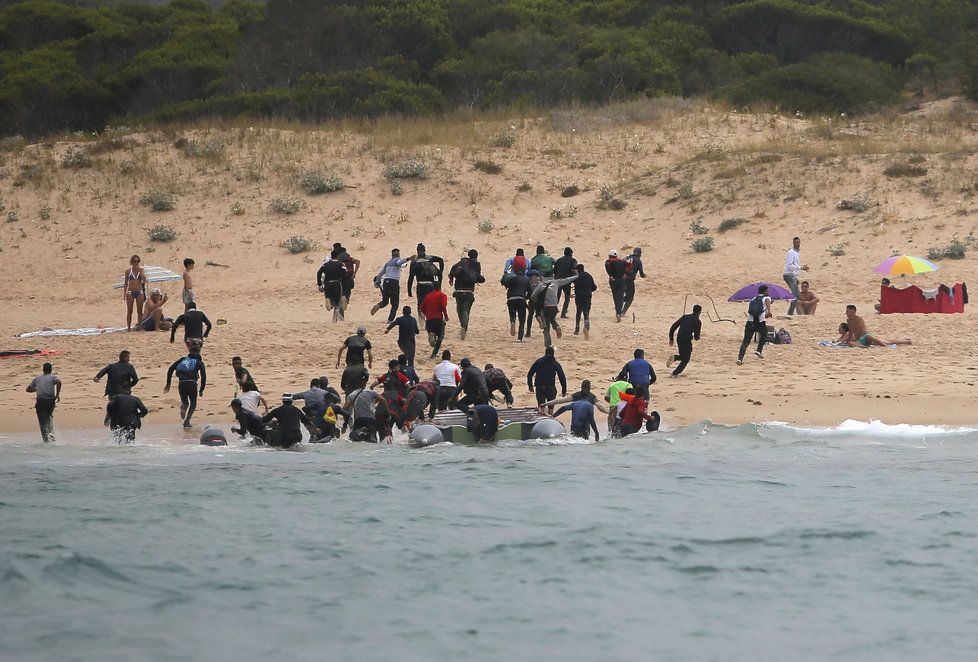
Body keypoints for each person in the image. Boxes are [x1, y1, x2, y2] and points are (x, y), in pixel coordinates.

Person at [530, 272, 579, 347]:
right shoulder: (556, 282)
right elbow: (566, 280)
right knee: (552, 319)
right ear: (553, 276)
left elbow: (533, 296)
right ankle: (557, 327)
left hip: (545, 306)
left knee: (546, 325)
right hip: (554, 306)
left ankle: (548, 343)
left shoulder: (541, 285)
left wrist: (536, 302)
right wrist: (576, 276)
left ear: (543, 277)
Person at [164, 347, 206, 428]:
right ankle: (187, 421)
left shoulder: (183, 360)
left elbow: (171, 369)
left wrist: (168, 383)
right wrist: (201, 389)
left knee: (185, 402)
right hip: (192, 383)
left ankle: (183, 407)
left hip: (181, 383)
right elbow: (204, 376)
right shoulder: (199, 362)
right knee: (193, 403)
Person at [448, 249, 486, 340]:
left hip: (458, 291)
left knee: (459, 309)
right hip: (469, 291)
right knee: (466, 310)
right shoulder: (476, 264)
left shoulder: (458, 264)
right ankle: (464, 327)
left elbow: (451, 275)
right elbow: (478, 277)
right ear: (476, 256)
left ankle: (462, 324)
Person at [842, 305, 912, 347]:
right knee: (887, 341)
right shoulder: (848, 320)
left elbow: (862, 331)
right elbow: (851, 332)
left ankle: (905, 342)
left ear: (853, 311)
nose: (846, 313)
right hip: (860, 339)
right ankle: (906, 342)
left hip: (865, 337)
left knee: (886, 342)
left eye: (848, 311)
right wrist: (848, 339)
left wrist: (858, 339)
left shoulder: (859, 319)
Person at [371, 248, 411, 321]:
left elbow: (380, 274)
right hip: (394, 282)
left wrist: (377, 281)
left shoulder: (387, 263)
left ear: (392, 255)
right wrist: (409, 258)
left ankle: (378, 306)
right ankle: (390, 320)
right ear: (398, 254)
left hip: (386, 282)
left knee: (385, 301)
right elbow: (399, 263)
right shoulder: (397, 261)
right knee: (395, 304)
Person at [343, 378, 388, 443]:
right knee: (372, 439)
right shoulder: (371, 392)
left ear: (356, 385)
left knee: (356, 440)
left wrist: (345, 423)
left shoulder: (352, 395)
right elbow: (383, 400)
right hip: (370, 420)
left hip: (359, 420)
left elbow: (344, 408)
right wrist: (386, 412)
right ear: (365, 385)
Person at [26, 362, 61, 443]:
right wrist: (57, 394)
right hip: (50, 402)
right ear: (51, 370)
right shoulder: (53, 377)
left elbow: (28, 389)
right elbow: (59, 382)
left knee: (42, 423)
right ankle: (52, 439)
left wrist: (36, 389)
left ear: (43, 370)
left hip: (41, 402)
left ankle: (46, 442)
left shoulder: (37, 378)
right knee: (48, 419)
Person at [737, 285, 772, 365]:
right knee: (764, 334)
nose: (768, 292)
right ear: (765, 291)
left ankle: (740, 359)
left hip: (750, 321)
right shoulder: (767, 297)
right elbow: (767, 301)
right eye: (767, 290)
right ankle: (759, 350)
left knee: (746, 341)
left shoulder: (753, 299)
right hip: (760, 322)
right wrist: (769, 311)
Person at [527, 346, 567, 414]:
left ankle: (541, 418)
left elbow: (530, 374)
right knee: (550, 408)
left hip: (540, 387)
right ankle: (550, 419)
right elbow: (562, 376)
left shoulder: (539, 361)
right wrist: (564, 389)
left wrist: (530, 386)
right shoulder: (555, 363)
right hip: (550, 387)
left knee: (541, 407)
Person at [539, 380, 609, 415]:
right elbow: (602, 408)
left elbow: (560, 401)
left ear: (581, 387)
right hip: (586, 423)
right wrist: (609, 412)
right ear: (590, 388)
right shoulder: (592, 397)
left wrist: (545, 404)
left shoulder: (576, 395)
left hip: (575, 422)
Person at [667, 305, 703, 377]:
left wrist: (671, 338)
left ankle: (675, 358)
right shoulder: (698, 322)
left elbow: (673, 326)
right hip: (687, 340)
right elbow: (696, 336)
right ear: (699, 312)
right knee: (686, 359)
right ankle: (675, 373)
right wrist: (697, 338)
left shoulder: (685, 317)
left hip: (679, 338)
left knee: (683, 356)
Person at [408, 243, 445, 309]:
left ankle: (421, 317)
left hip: (420, 284)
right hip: (431, 284)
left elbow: (411, 276)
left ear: (417, 251)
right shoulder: (429, 258)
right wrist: (440, 271)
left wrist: (409, 290)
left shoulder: (414, 261)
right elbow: (441, 260)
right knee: (431, 301)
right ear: (425, 250)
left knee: (420, 301)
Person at [501, 262, 531, 342]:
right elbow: (530, 292)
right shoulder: (526, 279)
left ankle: (512, 321)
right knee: (522, 320)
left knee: (512, 314)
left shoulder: (511, 277)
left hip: (511, 299)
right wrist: (526, 297)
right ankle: (519, 339)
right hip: (521, 299)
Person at [419, 282, 449, 359]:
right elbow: (443, 306)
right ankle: (433, 354)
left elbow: (421, 308)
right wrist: (446, 316)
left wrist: (427, 313)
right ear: (440, 287)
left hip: (429, 320)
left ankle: (431, 333)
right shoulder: (443, 295)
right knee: (440, 337)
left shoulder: (428, 296)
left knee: (430, 329)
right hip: (438, 319)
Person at [317, 250, 349, 322]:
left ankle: (328, 300)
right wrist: (345, 284)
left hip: (328, 283)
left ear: (331, 256)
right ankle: (334, 320)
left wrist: (319, 284)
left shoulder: (326, 264)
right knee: (337, 304)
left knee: (329, 299)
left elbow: (319, 272)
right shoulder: (341, 264)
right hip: (337, 283)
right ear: (338, 256)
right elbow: (345, 275)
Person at [783, 236, 809, 315]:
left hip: (792, 276)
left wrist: (796, 276)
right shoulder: (791, 252)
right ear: (793, 243)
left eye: (798, 242)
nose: (797, 244)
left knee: (796, 294)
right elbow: (789, 266)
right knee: (796, 295)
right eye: (795, 242)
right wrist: (801, 268)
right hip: (789, 275)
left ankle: (792, 311)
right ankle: (790, 313)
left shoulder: (796, 252)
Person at [572, 264, 597, 339]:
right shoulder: (588, 275)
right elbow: (594, 287)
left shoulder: (576, 277)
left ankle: (577, 328)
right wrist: (589, 290)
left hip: (579, 296)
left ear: (577, 270)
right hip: (587, 296)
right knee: (586, 312)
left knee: (578, 312)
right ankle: (586, 327)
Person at [123, 254, 147, 331]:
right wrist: (124, 293)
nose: (136, 263)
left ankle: (140, 326)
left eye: (137, 261)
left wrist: (140, 272)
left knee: (139, 311)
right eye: (134, 261)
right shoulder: (128, 271)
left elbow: (145, 280)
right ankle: (129, 328)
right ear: (132, 262)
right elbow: (126, 283)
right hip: (130, 292)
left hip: (139, 292)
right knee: (129, 311)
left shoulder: (141, 270)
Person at [553, 247, 578, 318]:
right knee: (567, 298)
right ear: (571, 253)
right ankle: (563, 313)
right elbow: (575, 270)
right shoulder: (573, 260)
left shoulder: (559, 260)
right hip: (567, 281)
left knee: (556, 298)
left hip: (558, 281)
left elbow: (554, 270)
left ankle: (553, 313)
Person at [622, 247, 647, 316]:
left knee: (622, 295)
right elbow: (642, 274)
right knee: (630, 298)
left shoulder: (626, 258)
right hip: (629, 281)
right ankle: (623, 312)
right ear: (640, 254)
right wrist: (645, 275)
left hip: (621, 280)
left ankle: (618, 306)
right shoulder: (638, 261)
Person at [605, 249, 628, 322]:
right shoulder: (622, 261)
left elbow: (607, 266)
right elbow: (630, 265)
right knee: (620, 297)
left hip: (613, 281)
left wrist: (610, 275)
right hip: (621, 280)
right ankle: (619, 312)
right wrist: (625, 274)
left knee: (615, 296)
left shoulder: (609, 262)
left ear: (609, 256)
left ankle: (617, 312)